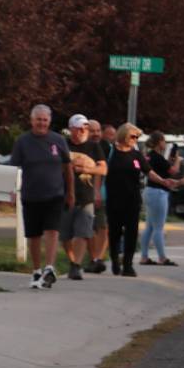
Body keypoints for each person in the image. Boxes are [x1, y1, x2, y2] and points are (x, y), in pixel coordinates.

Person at [8, 104, 70, 290]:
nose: (41, 123)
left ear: (49, 121)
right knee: (34, 235)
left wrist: (70, 192)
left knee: (52, 230)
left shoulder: (58, 140)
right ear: (32, 120)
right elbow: (14, 168)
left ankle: (49, 268)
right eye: (38, 119)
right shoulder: (22, 141)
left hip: (54, 194)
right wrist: (10, 190)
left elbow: (68, 168)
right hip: (31, 194)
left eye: (45, 120)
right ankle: (36, 270)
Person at [141, 132, 184, 265]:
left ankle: (144, 256)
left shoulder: (149, 156)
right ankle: (162, 257)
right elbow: (174, 171)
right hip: (158, 193)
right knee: (158, 227)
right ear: (159, 142)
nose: (165, 144)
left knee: (149, 226)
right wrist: (178, 160)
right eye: (164, 141)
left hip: (149, 191)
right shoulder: (158, 157)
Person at [102, 123, 150, 276]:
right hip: (114, 199)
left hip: (133, 200)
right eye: (133, 136)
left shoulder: (136, 155)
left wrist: (164, 181)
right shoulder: (111, 151)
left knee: (132, 233)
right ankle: (115, 261)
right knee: (115, 233)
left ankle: (128, 265)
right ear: (123, 135)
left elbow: (148, 171)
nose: (135, 139)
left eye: (137, 137)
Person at [62, 115, 105, 280]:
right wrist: (69, 167)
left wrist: (88, 169)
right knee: (65, 236)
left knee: (83, 232)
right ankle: (72, 260)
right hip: (64, 195)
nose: (82, 131)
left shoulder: (94, 147)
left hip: (86, 196)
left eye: (85, 128)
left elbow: (103, 169)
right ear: (71, 129)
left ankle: (76, 265)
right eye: (79, 128)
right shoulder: (63, 144)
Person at [87, 120, 112, 273]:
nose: (96, 134)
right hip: (83, 192)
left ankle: (98, 258)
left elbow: (101, 171)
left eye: (98, 130)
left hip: (102, 193)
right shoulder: (81, 147)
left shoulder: (105, 147)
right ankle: (93, 258)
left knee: (102, 226)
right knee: (88, 228)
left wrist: (97, 192)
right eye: (92, 130)